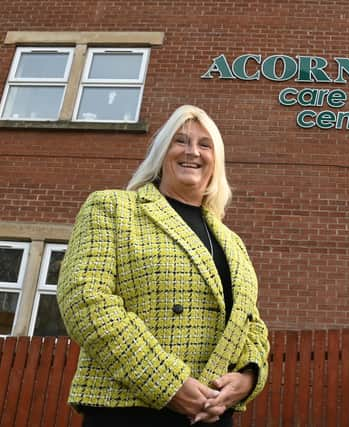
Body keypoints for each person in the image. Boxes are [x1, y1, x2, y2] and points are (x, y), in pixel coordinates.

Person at [57, 105, 270, 427]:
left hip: (212, 414)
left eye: (205, 144)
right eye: (180, 141)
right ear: (162, 152)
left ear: (217, 160)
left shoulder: (232, 240)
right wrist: (168, 383)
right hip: (127, 410)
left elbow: (251, 323)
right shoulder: (112, 208)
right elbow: (85, 300)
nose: (192, 152)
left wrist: (248, 377)